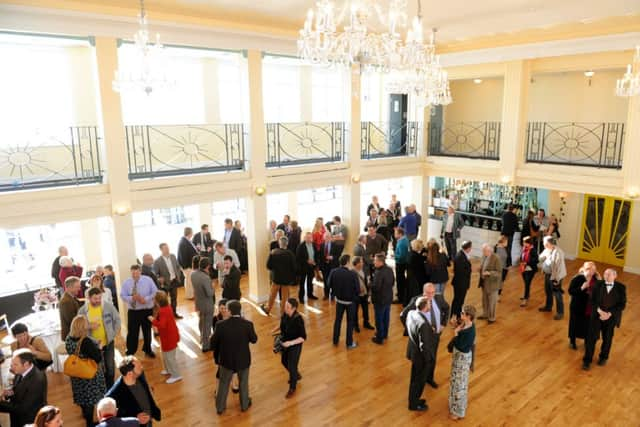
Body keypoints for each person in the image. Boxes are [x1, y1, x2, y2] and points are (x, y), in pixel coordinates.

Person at [212, 300, 258, 415]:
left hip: (226, 360)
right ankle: (244, 405)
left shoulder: (220, 325)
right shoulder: (248, 324)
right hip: (243, 360)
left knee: (223, 384)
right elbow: (254, 339)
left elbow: (212, 343)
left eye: (226, 309)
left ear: (230, 311)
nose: (225, 311)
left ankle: (220, 407)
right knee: (243, 383)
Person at [401, 283, 449, 387]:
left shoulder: (439, 297)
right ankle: (419, 382)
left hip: (436, 335)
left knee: (432, 358)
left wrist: (443, 324)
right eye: (428, 293)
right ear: (423, 292)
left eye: (432, 292)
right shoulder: (417, 300)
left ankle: (429, 378)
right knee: (421, 362)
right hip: (423, 338)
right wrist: (411, 332)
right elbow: (403, 315)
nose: (431, 295)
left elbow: (447, 308)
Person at [65, 315, 106, 427]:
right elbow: (97, 357)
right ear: (83, 328)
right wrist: (100, 347)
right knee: (90, 400)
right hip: (88, 375)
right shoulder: (85, 341)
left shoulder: (68, 338)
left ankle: (84, 413)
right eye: (86, 324)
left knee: (82, 396)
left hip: (76, 374)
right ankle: (89, 423)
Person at [582, 269, 626, 370]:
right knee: (591, 339)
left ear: (615, 276)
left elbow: (622, 305)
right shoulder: (598, 284)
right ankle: (587, 360)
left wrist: (609, 314)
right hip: (597, 315)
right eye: (605, 274)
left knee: (607, 338)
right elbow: (592, 300)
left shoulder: (621, 287)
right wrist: (600, 312)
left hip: (610, 318)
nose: (606, 276)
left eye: (609, 274)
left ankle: (603, 357)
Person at [78, 287, 120, 389]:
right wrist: (89, 326)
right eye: (95, 299)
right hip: (93, 346)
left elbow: (117, 320)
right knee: (98, 368)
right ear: (88, 298)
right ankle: (102, 387)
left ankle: (110, 388)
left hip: (108, 342)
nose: (98, 301)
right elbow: (78, 327)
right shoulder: (83, 311)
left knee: (110, 367)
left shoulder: (108, 306)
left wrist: (113, 334)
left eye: (99, 298)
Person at [106, 356, 161, 426]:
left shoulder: (139, 374)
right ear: (129, 374)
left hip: (148, 420)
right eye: (139, 367)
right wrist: (135, 418)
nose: (142, 367)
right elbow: (114, 419)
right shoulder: (113, 395)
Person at [0, 349, 48, 427]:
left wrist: (1, 404)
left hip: (28, 419)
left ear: (26, 364)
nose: (11, 367)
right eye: (12, 363)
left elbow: (23, 408)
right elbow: (19, 387)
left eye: (15, 364)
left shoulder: (37, 381)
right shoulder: (21, 370)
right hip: (17, 416)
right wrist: (10, 392)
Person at [406, 297, 437, 412]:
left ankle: (413, 399)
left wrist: (429, 330)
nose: (430, 306)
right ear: (424, 307)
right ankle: (414, 404)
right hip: (421, 358)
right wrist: (428, 360)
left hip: (413, 352)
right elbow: (424, 346)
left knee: (414, 379)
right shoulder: (423, 324)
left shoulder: (411, 313)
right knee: (419, 381)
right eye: (429, 304)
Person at [120, 264, 158, 358]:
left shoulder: (148, 280)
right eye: (133, 273)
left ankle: (148, 350)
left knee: (147, 331)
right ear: (131, 272)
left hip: (146, 310)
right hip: (133, 312)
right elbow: (122, 296)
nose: (135, 275)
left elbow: (155, 291)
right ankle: (130, 351)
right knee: (132, 332)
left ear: (140, 272)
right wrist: (132, 298)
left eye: (136, 273)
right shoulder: (126, 283)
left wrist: (146, 299)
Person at [448, 305, 477, 421]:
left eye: (463, 313)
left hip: (462, 359)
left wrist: (455, 333)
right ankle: (454, 406)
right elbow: (461, 331)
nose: (461, 314)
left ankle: (458, 412)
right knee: (456, 383)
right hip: (459, 359)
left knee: (459, 386)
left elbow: (460, 345)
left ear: (469, 316)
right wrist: (455, 326)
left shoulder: (470, 331)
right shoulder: (466, 324)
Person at [275, 298, 306, 398]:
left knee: (292, 366)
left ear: (294, 309)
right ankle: (296, 375)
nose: (285, 308)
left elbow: (303, 337)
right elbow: (282, 324)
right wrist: (273, 330)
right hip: (285, 342)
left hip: (295, 345)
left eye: (288, 307)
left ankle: (292, 387)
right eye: (285, 306)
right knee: (284, 361)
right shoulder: (285, 314)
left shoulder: (298, 319)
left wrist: (290, 343)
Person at [149, 291, 181, 383]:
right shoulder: (167, 307)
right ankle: (168, 370)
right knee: (166, 355)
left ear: (157, 301)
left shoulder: (163, 311)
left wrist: (153, 320)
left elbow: (162, 325)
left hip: (169, 337)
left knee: (170, 357)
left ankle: (176, 375)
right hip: (168, 336)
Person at [328, 254, 360, 349]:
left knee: (338, 320)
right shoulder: (353, 274)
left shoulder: (333, 272)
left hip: (339, 301)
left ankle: (335, 340)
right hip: (350, 302)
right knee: (350, 322)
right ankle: (349, 343)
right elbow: (357, 290)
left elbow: (329, 284)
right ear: (347, 262)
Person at [568, 262, 599, 350]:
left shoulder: (596, 280)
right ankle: (572, 341)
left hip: (589, 307)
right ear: (584, 268)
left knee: (587, 325)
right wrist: (582, 288)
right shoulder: (577, 278)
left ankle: (586, 341)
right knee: (574, 324)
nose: (590, 271)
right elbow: (571, 291)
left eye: (593, 269)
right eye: (588, 268)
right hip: (577, 306)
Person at [263, 237, 297, 315]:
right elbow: (294, 268)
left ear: (279, 243)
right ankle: (283, 313)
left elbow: (268, 266)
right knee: (285, 297)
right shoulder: (290, 254)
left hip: (276, 278)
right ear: (287, 244)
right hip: (286, 280)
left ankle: (268, 309)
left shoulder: (273, 252)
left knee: (272, 294)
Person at [538, 237, 567, 320]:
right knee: (548, 290)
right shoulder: (547, 249)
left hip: (556, 276)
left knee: (557, 293)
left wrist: (556, 280)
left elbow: (558, 268)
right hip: (548, 274)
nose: (543, 244)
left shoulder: (558, 253)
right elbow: (540, 258)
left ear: (548, 243)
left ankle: (560, 312)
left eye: (544, 243)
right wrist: (544, 256)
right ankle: (548, 307)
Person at [153, 243, 184, 319]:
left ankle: (174, 313)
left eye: (168, 248)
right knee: (164, 301)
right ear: (161, 250)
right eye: (165, 248)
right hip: (165, 284)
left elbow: (177, 266)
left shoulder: (173, 256)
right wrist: (159, 279)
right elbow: (155, 274)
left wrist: (178, 275)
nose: (167, 249)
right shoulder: (157, 261)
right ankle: (166, 316)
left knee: (174, 299)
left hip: (174, 281)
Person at [192, 257, 215, 352]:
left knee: (201, 322)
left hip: (199, 303)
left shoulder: (193, 274)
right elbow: (209, 293)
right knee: (207, 325)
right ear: (208, 266)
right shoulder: (205, 278)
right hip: (207, 304)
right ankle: (206, 346)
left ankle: (202, 338)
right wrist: (213, 287)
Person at [371, 253, 395, 345]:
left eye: (375, 260)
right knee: (386, 317)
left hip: (379, 299)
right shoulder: (389, 269)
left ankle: (379, 338)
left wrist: (370, 284)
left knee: (379, 318)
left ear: (380, 262)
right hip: (388, 297)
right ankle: (385, 334)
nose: (374, 262)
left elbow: (376, 287)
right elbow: (393, 282)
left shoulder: (378, 273)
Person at [478, 243, 502, 324]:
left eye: (484, 251)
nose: (483, 252)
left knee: (492, 302)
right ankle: (485, 314)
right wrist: (480, 269)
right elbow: (483, 266)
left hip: (492, 284)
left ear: (489, 251)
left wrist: (489, 273)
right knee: (484, 300)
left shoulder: (496, 258)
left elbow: (499, 273)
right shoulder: (484, 256)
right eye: (483, 251)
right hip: (484, 283)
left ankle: (492, 318)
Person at [451, 241, 472, 324]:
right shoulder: (461, 257)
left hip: (460, 282)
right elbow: (461, 271)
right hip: (460, 283)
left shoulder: (461, 254)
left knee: (459, 300)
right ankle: (454, 316)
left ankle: (457, 315)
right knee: (458, 300)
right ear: (468, 248)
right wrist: (469, 268)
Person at [352, 256, 374, 332]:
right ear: (357, 263)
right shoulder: (352, 272)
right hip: (356, 295)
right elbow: (350, 285)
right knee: (355, 311)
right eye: (361, 262)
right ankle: (356, 325)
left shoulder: (363, 270)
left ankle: (366, 323)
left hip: (364, 294)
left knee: (365, 309)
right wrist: (357, 289)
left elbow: (365, 280)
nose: (363, 263)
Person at [296, 232, 318, 301]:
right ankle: (301, 297)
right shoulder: (300, 246)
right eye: (307, 237)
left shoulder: (314, 245)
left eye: (310, 237)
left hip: (311, 267)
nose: (309, 239)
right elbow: (298, 257)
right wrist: (307, 261)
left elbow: (316, 255)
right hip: (303, 267)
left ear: (311, 238)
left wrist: (315, 262)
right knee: (302, 283)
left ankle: (310, 294)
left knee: (310, 282)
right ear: (304, 238)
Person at [177, 227, 198, 300]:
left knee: (189, 280)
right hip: (187, 266)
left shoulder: (186, 240)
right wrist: (187, 266)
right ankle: (190, 295)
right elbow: (184, 256)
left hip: (189, 265)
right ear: (190, 233)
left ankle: (191, 294)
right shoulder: (183, 242)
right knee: (189, 280)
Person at [319, 232, 341, 299]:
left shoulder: (335, 245)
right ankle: (326, 294)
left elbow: (338, 255)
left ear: (331, 237)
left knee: (333, 281)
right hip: (324, 266)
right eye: (326, 237)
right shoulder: (322, 245)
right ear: (324, 238)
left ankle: (332, 295)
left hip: (333, 265)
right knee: (325, 281)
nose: (327, 238)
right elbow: (320, 256)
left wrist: (333, 257)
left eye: (329, 237)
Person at [60, 275, 82, 340]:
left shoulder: (71, 297)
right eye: (77, 287)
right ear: (69, 287)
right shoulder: (66, 301)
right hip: (71, 336)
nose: (79, 289)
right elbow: (73, 321)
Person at [519, 236, 538, 307]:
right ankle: (527, 295)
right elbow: (522, 257)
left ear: (529, 243)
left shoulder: (533, 250)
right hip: (523, 268)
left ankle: (525, 298)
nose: (523, 243)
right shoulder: (524, 248)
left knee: (527, 283)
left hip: (530, 269)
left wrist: (527, 263)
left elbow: (536, 260)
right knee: (526, 282)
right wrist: (521, 261)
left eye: (524, 242)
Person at [394, 227, 410, 305]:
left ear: (400, 234)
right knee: (401, 279)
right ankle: (401, 293)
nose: (394, 235)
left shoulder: (402, 242)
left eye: (396, 233)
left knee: (400, 280)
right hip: (402, 263)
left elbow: (402, 256)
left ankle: (400, 297)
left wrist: (394, 256)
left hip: (400, 263)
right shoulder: (404, 240)